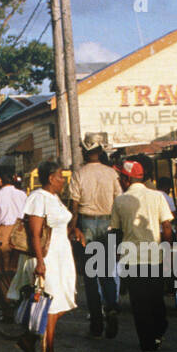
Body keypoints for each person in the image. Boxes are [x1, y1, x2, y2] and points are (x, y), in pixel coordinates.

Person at [15, 161, 76, 352]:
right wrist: (40, 262)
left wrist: (75, 231)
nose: (63, 181)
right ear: (51, 178)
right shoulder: (38, 198)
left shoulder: (54, 198)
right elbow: (34, 232)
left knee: (59, 302)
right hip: (47, 256)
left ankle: (31, 339)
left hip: (61, 255)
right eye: (60, 177)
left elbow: (59, 226)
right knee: (50, 303)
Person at [111, 155, 173, 352]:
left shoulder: (120, 201)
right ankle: (158, 331)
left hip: (131, 258)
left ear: (127, 180)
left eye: (121, 177)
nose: (120, 180)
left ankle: (147, 345)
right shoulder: (158, 197)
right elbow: (167, 227)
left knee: (139, 303)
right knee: (155, 299)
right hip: (155, 256)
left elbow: (116, 232)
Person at [67, 143, 122, 338]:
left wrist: (73, 227)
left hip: (87, 223)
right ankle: (112, 308)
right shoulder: (111, 174)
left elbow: (74, 205)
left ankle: (97, 324)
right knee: (107, 273)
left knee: (90, 277)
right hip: (108, 222)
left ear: (85, 152)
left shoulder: (79, 174)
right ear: (99, 153)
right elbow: (118, 201)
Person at [0, 165, 27, 277]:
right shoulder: (22, 194)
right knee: (18, 266)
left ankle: (5, 292)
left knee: (2, 267)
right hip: (20, 232)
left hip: (3, 233)